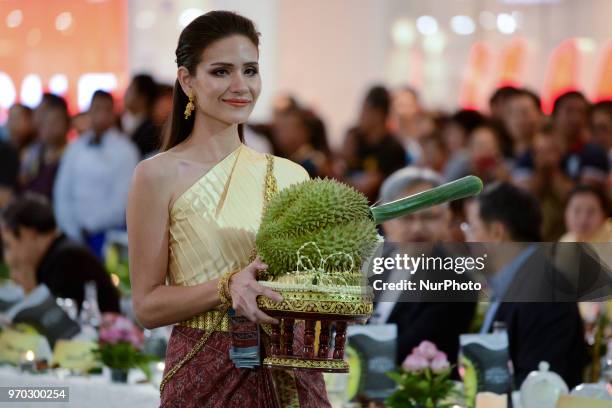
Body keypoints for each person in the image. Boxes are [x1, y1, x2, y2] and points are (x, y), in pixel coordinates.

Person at [127, 11, 330, 407]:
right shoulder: (156, 175)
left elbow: (312, 286)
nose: (241, 86)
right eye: (221, 72)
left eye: (250, 70)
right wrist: (227, 286)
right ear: (188, 80)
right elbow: (147, 306)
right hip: (203, 372)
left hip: (292, 374)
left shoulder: (290, 176)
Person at [464, 182, 589, 388]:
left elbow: (537, 388)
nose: (467, 238)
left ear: (497, 233)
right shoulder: (515, 279)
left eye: (471, 228)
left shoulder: (544, 292)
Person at [371, 167, 476, 368]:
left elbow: (409, 353)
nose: (418, 228)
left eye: (429, 217)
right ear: (386, 221)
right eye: (407, 217)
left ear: (446, 219)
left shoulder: (454, 281)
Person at [53, 90, 139, 258]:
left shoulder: (126, 151)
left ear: (113, 113)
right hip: (73, 235)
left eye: (105, 109)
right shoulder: (75, 147)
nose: (100, 114)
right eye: (95, 108)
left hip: (108, 236)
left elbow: (122, 200)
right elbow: (62, 192)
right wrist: (73, 229)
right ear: (89, 111)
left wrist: (90, 227)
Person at [0, 194, 120, 314]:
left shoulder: (68, 259)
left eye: (8, 245)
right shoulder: (57, 254)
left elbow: (54, 322)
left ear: (28, 234)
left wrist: (30, 286)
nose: (8, 258)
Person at [341, 85, 406, 202]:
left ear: (378, 114)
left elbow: (364, 189)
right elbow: (342, 167)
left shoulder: (392, 148)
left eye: (365, 110)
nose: (360, 115)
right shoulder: (356, 139)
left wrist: (334, 178)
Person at [20, 95, 69, 200]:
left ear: (66, 124)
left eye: (55, 121)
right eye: (48, 121)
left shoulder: (73, 155)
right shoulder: (32, 152)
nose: (50, 126)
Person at [122, 74, 160, 158]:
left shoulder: (152, 132)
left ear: (143, 97)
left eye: (130, 89)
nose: (126, 93)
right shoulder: (118, 122)